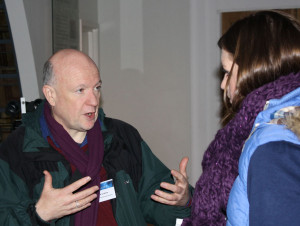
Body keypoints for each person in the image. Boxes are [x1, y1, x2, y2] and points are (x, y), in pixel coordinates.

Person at [0, 49, 193, 226]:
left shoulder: (122, 137)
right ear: (51, 95)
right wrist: (39, 214)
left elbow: (156, 200)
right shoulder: (17, 152)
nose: (93, 101)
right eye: (80, 90)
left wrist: (184, 200)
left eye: (96, 88)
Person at [182, 10, 300, 226]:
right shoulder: (282, 126)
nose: (222, 84)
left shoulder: (273, 146)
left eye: (227, 73)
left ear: (255, 70)